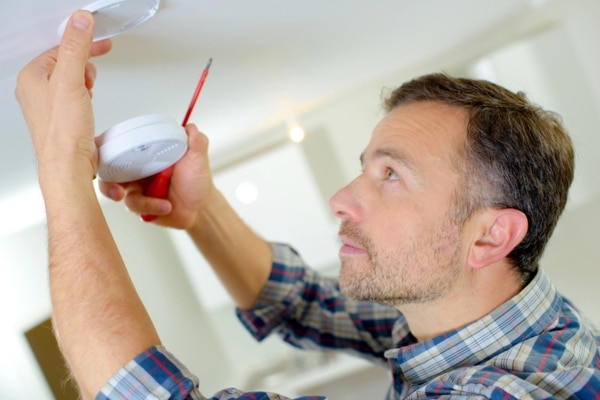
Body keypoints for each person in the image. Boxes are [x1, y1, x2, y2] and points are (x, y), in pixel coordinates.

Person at [15, 10, 600, 400]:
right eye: (364, 167)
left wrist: (61, 171)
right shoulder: (494, 321)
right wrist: (202, 210)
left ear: (490, 237)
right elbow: (304, 303)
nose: (341, 198)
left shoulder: (507, 391)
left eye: (392, 175)